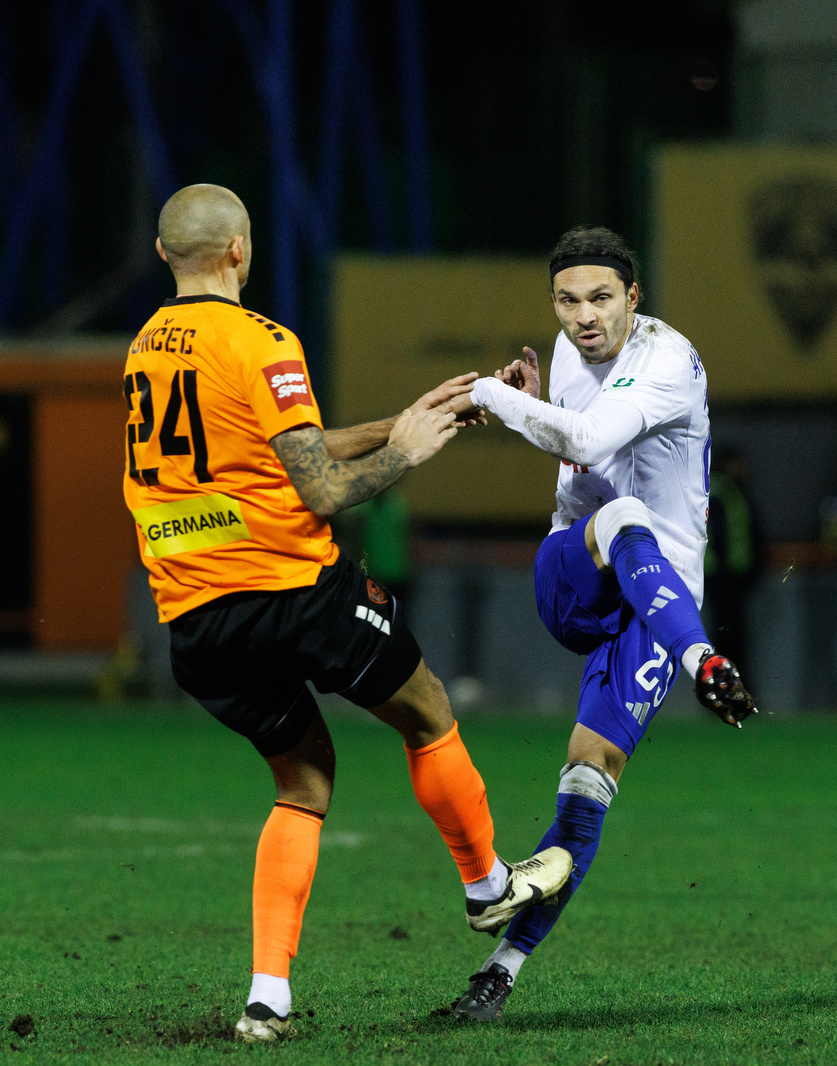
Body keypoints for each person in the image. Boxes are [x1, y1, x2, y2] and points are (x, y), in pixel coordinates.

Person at [123, 185, 570, 1043]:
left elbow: (289, 448)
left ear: (163, 256)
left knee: (303, 780)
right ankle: (486, 889)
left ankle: (267, 1000)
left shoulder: (145, 349)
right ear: (240, 253)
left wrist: (416, 415)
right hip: (291, 593)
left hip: (196, 618)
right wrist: (403, 455)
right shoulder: (263, 340)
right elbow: (319, 488)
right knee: (428, 709)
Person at [452, 225, 757, 1020]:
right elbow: (582, 446)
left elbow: (587, 435)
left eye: (600, 298)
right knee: (619, 510)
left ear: (635, 298)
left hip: (659, 596)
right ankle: (706, 665)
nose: (582, 316)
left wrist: (490, 394)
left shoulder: (668, 362)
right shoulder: (565, 349)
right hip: (574, 575)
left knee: (589, 783)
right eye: (566, 299)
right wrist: (530, 399)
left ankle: (502, 968)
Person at [705, 448, 763, 683]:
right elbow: (720, 534)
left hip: (730, 578)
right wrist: (726, 574)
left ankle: (729, 689)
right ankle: (724, 689)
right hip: (723, 579)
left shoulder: (729, 489)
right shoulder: (720, 490)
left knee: (732, 637)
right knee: (728, 638)